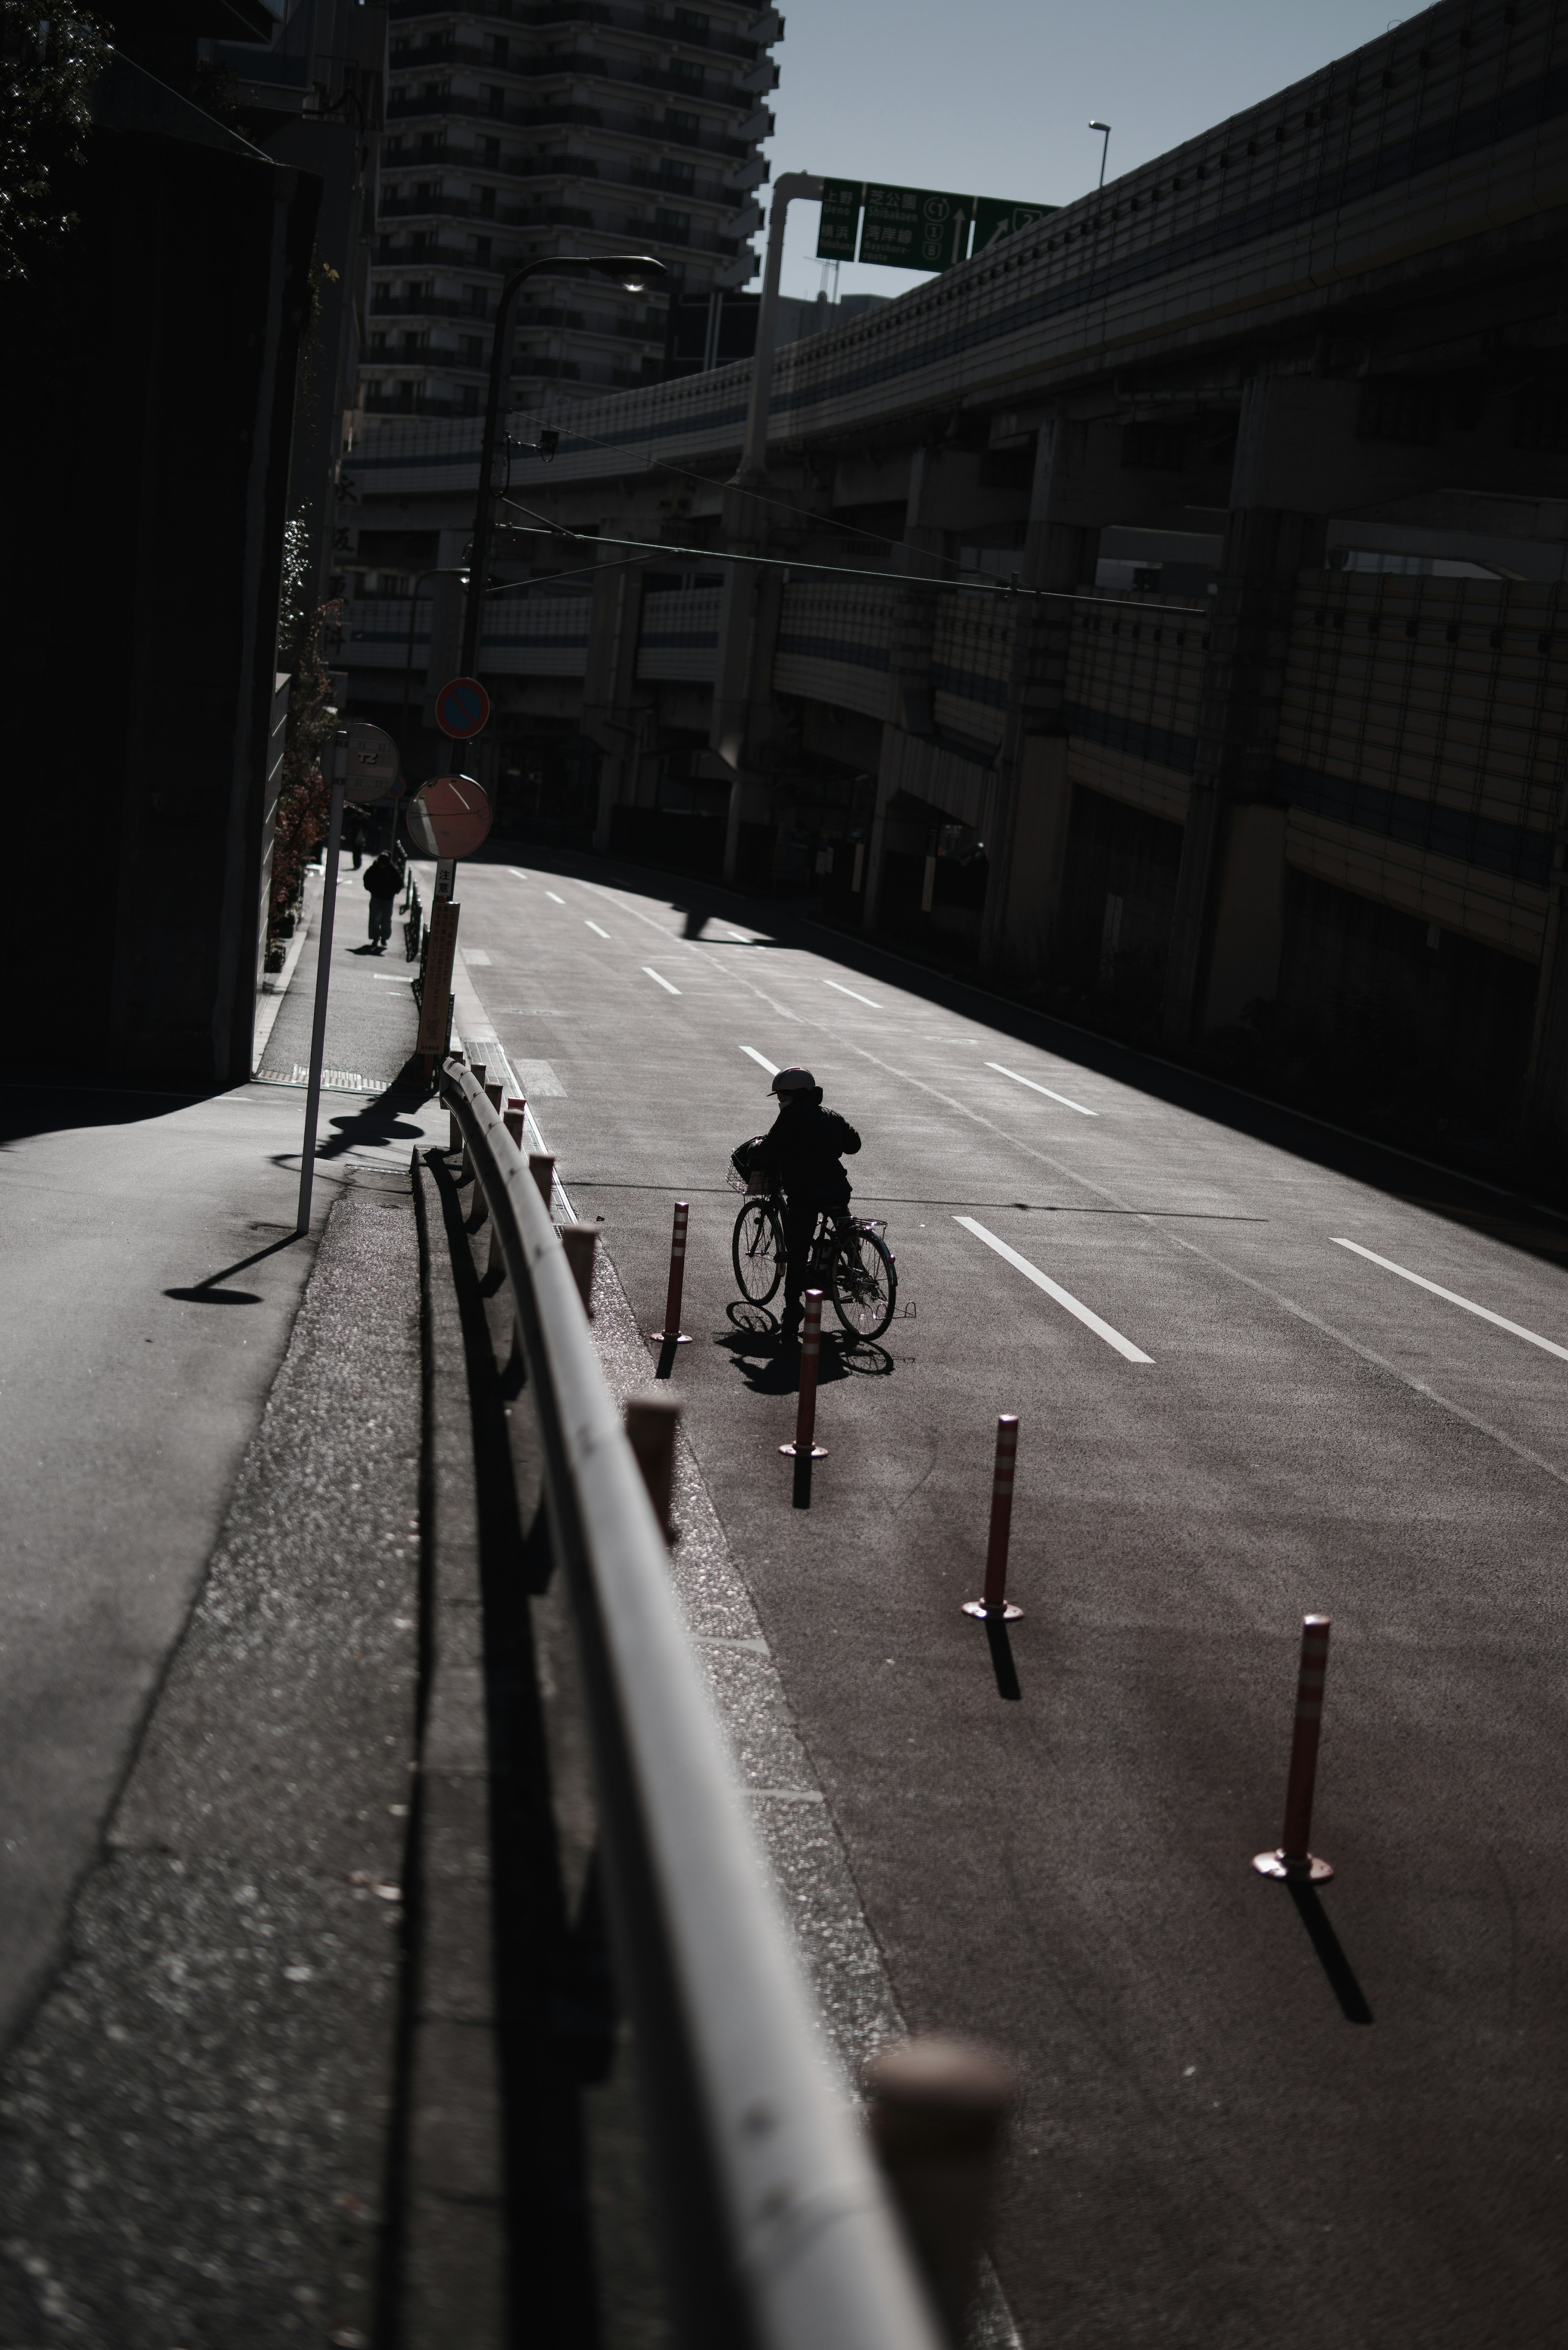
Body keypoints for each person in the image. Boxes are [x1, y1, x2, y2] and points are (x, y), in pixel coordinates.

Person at [735, 1067, 861, 1342]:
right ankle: (857, 1269)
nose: (779, 1099)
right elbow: (854, 1145)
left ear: (794, 1094)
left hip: (805, 1192)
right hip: (838, 1187)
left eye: (781, 1094)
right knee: (843, 1227)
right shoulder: (831, 1115)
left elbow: (771, 1148)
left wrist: (755, 1149)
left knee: (798, 1249)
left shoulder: (791, 1114)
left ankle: (793, 1307)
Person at [363, 850, 402, 952]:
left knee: (386, 919)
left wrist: (393, 892)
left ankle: (384, 937)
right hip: (377, 896)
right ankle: (376, 938)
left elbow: (399, 883)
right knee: (375, 918)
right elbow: (367, 879)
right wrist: (371, 889)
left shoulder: (392, 870)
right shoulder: (374, 868)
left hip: (387, 898)